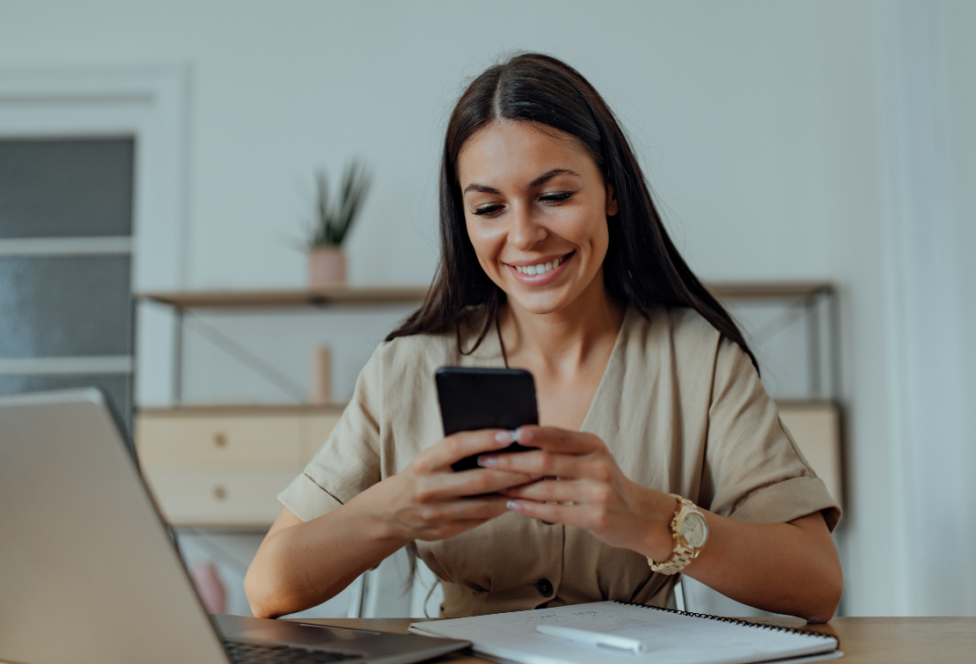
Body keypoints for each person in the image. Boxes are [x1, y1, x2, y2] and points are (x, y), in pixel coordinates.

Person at [245, 53, 842, 623]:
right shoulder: (406, 367)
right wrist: (393, 510)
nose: (524, 235)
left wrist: (650, 519)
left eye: (553, 196)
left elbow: (817, 583)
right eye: (489, 208)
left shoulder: (701, 361)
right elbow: (268, 588)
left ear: (611, 191)